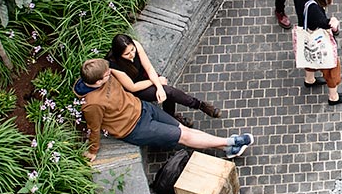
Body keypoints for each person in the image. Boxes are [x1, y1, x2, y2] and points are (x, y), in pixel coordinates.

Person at [76, 59, 251, 161]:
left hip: (143, 108)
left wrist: (157, 82)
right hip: (134, 128)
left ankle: (227, 148)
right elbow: (94, 127)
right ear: (98, 82)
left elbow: (131, 85)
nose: (111, 74)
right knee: (184, 136)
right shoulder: (92, 104)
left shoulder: (105, 75)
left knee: (184, 130)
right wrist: (93, 150)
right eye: (107, 75)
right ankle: (230, 142)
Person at [106, 33, 220, 122]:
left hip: (145, 76)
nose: (132, 55)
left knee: (166, 92)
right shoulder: (113, 64)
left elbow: (149, 68)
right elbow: (132, 87)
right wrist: (155, 82)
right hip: (136, 88)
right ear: (119, 54)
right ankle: (199, 105)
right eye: (127, 54)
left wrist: (159, 87)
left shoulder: (134, 44)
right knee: (169, 92)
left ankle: (173, 116)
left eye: (132, 50)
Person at [293, 0, 342, 106]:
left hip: (304, 31)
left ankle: (310, 80)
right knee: (332, 68)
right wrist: (333, 23)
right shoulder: (313, 6)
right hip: (318, 39)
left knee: (308, 56)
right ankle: (333, 97)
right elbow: (324, 23)